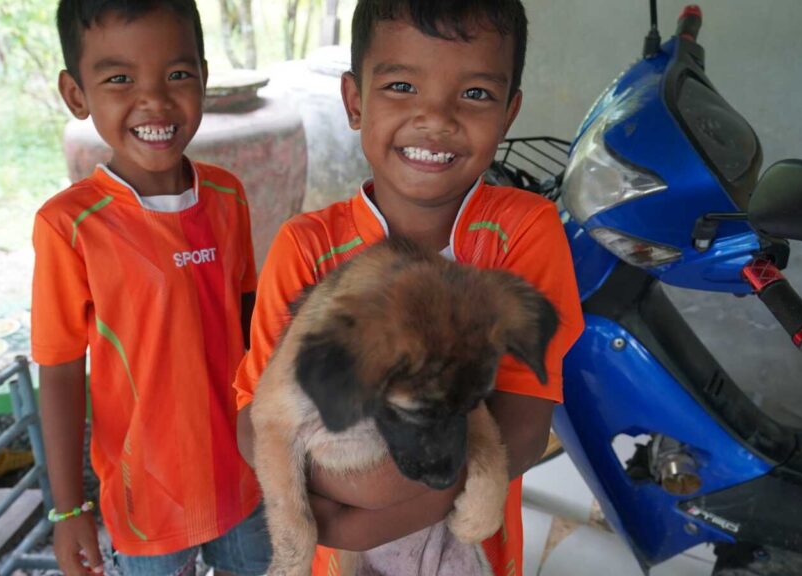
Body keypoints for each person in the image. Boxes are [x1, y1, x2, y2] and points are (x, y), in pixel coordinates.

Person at [233, 0, 585, 574]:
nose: (437, 119)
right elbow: (259, 419)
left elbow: (523, 427)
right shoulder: (305, 248)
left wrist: (362, 518)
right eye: (401, 85)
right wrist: (321, 532)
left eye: (474, 94)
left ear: (509, 112)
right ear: (354, 101)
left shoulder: (525, 231)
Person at [32, 2, 269, 575]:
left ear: (204, 78)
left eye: (178, 75)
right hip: (147, 502)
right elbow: (61, 374)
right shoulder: (70, 226)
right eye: (119, 79)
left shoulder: (228, 197)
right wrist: (68, 511)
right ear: (76, 94)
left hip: (245, 481)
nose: (156, 101)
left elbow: (255, 334)